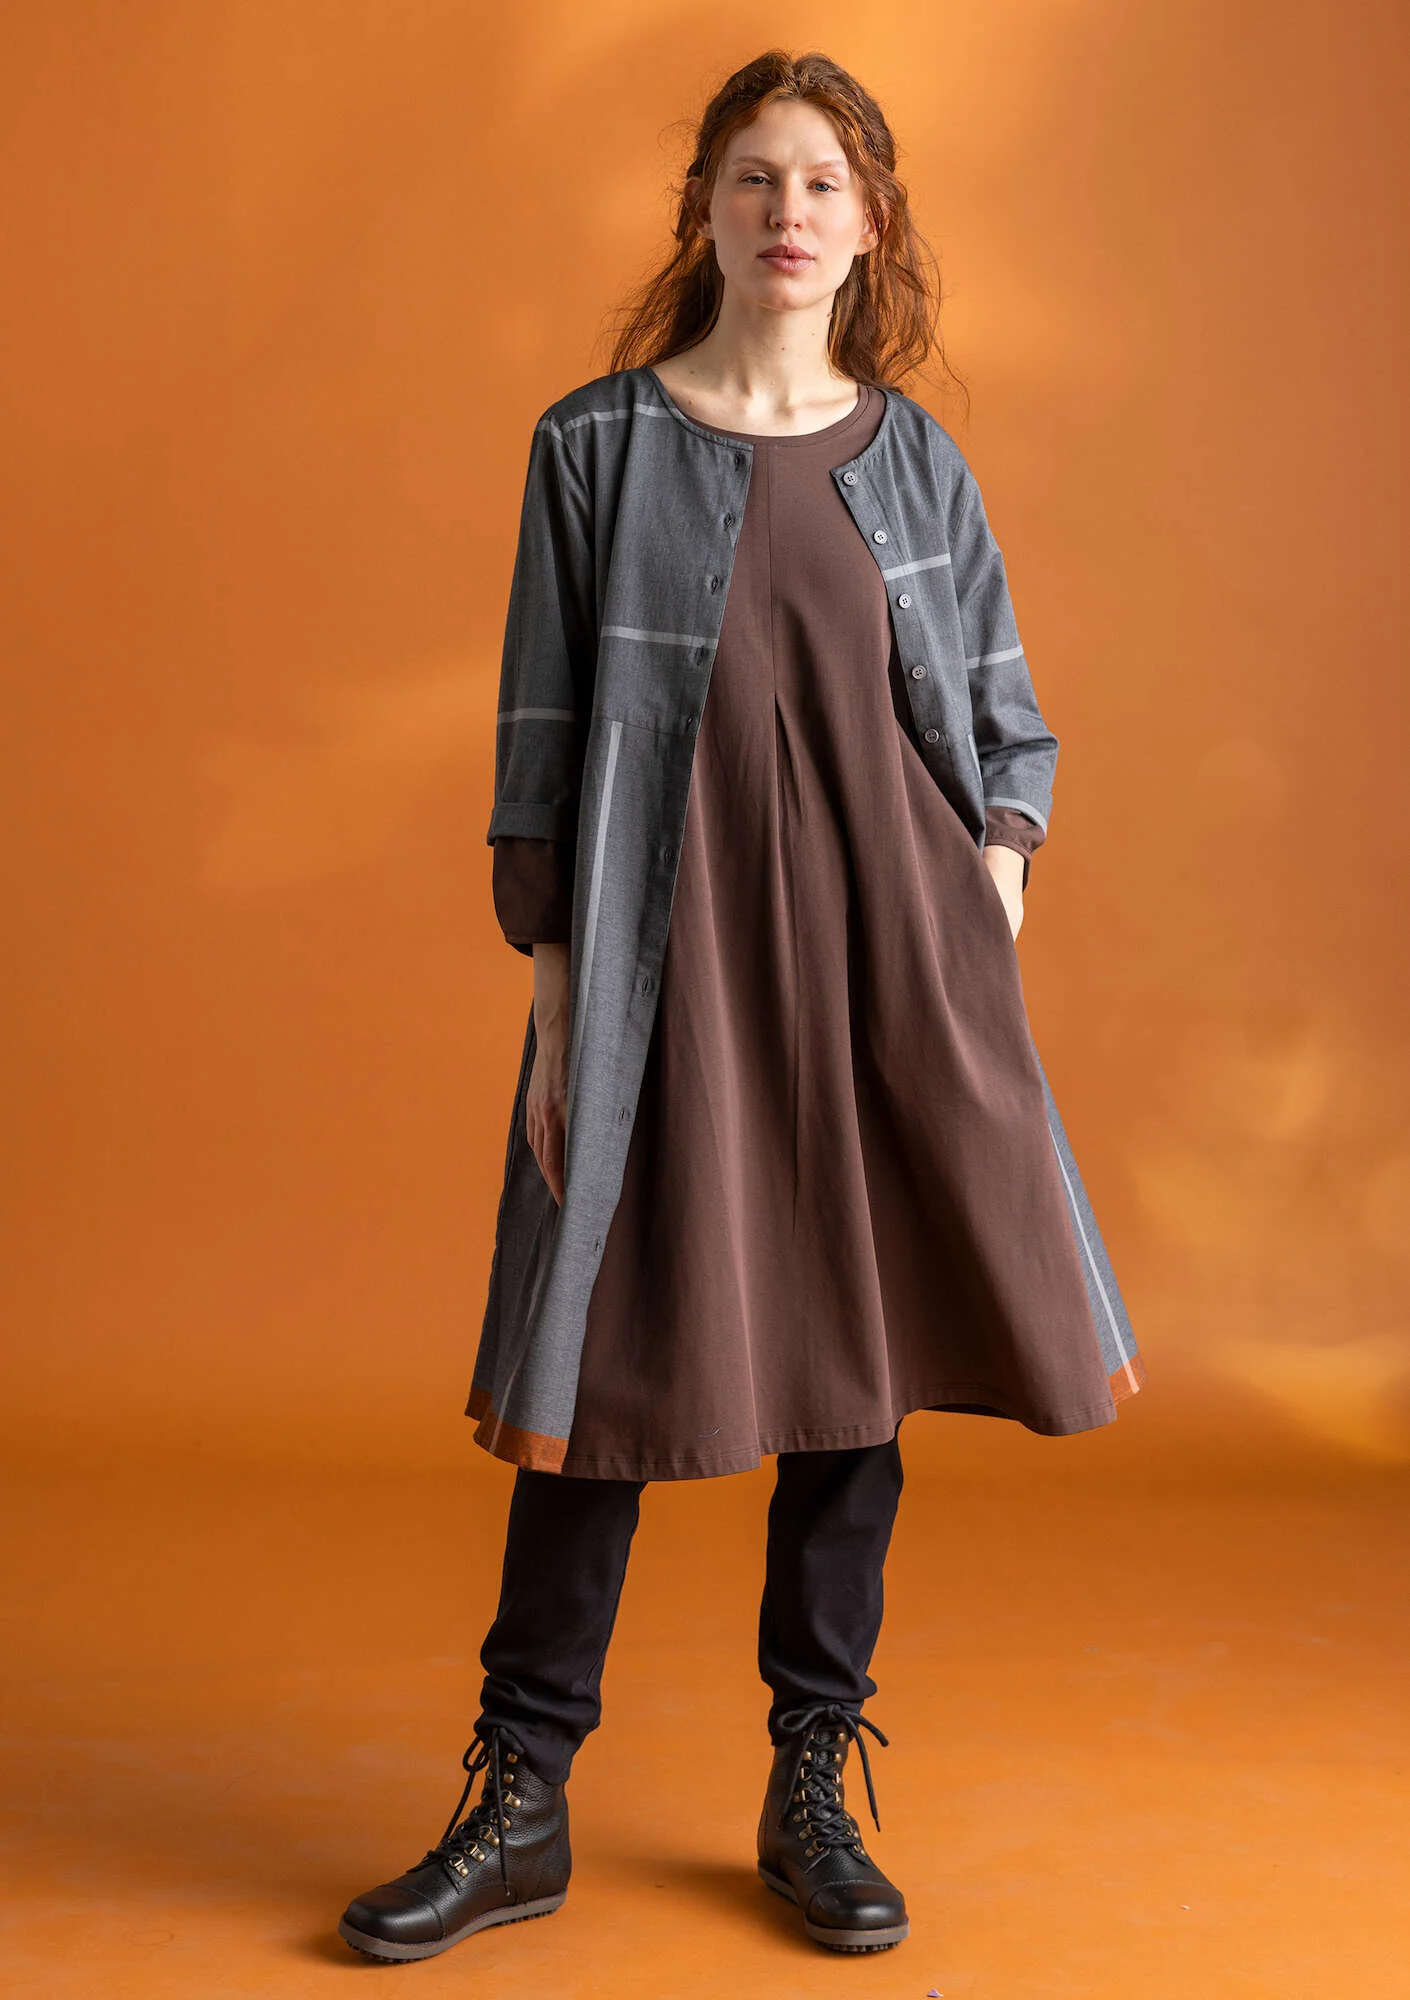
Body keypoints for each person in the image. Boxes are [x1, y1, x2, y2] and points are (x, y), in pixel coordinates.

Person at [337, 47, 1145, 1966]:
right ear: (702, 209)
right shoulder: (591, 450)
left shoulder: (918, 462)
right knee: (600, 1370)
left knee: (856, 1365)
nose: (788, 212)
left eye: (823, 184)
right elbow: (542, 757)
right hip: (660, 972)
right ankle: (521, 1798)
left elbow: (1007, 728)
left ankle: (810, 1779)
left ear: (869, 228)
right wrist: (556, 1003)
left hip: (887, 976)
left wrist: (988, 895)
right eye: (754, 177)